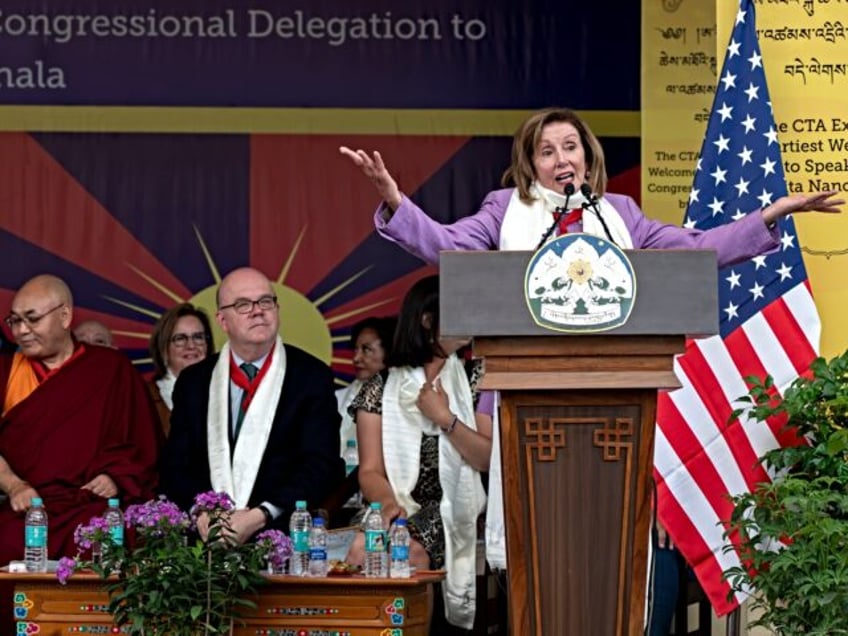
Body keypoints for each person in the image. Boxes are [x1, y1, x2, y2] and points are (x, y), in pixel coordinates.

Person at [340, 107, 842, 265]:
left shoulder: (620, 212)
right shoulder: (504, 208)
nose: (563, 158)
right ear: (531, 165)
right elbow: (446, 245)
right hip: (523, 373)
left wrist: (772, 213)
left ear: (587, 154)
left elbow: (696, 247)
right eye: (547, 150)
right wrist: (394, 199)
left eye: (570, 146)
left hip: (614, 371)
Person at [346, 275, 494, 630]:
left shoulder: (478, 377)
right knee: (360, 550)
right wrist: (388, 507)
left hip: (452, 507)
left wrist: (445, 418)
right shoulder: (380, 387)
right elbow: (369, 471)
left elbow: (488, 459)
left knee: (407, 552)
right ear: (428, 320)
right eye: (460, 309)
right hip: (392, 504)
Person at [159, 267, 344, 545]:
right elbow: (176, 465)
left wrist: (261, 514)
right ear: (223, 320)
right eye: (243, 305)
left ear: (277, 309)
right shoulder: (194, 381)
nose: (258, 311)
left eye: (265, 302)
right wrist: (203, 514)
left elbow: (321, 464)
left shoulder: (310, 376)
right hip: (204, 538)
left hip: (280, 535)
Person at [0, 274, 161, 565]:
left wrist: (117, 476)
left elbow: (143, 446)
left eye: (32, 319)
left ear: (64, 316)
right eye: (14, 321)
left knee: (109, 535)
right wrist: (14, 486)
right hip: (25, 507)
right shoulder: (6, 372)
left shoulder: (111, 369)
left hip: (89, 506)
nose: (21, 331)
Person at [148, 303, 214, 437]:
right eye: (180, 338)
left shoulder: (226, 389)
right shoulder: (147, 397)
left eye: (198, 337)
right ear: (164, 347)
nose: (191, 345)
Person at [335, 315, 397, 451]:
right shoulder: (336, 399)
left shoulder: (404, 396)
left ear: (389, 351)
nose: (356, 358)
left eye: (366, 350)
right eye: (355, 350)